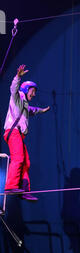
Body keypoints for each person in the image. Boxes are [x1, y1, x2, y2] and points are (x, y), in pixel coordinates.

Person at [3, 64, 50, 201]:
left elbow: (32, 110)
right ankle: (10, 186)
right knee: (18, 158)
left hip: (18, 135)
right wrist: (18, 76)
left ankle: (23, 189)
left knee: (26, 162)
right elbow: (13, 88)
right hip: (13, 132)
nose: (34, 94)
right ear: (26, 89)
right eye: (33, 91)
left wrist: (42, 110)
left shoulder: (24, 105)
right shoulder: (18, 96)